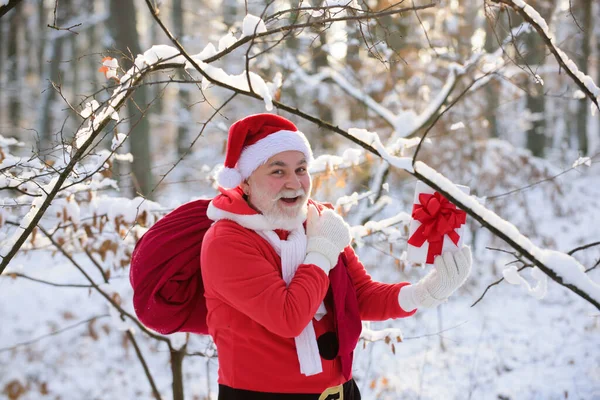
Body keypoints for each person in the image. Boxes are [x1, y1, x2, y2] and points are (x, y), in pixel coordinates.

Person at [201, 113, 472, 399]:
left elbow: (360, 295)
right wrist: (320, 253)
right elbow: (288, 317)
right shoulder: (227, 241)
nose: (294, 183)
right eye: (277, 171)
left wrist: (424, 292)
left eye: (301, 169)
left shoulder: (316, 222)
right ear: (244, 182)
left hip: (340, 391)